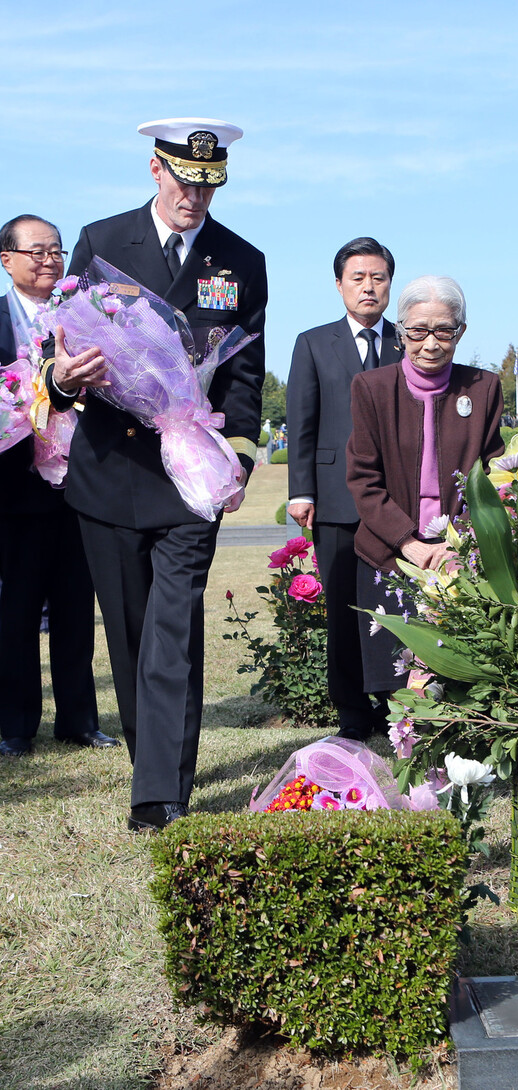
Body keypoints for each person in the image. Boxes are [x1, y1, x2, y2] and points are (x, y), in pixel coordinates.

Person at [47, 118, 267, 830]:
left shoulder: (241, 259)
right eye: (183, 181)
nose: (194, 198)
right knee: (132, 630)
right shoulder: (103, 240)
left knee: (174, 629)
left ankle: (160, 794)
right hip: (109, 470)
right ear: (154, 170)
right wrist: (63, 375)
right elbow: (65, 341)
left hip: (187, 477)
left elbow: (242, 374)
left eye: (209, 185)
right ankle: (153, 755)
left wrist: (236, 455)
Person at [346, 275, 504, 693]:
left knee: (461, 681)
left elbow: (495, 477)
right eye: (417, 331)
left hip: (459, 555)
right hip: (392, 555)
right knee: (401, 689)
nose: (430, 343)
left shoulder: (484, 388)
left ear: (460, 332)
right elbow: (364, 481)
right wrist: (409, 544)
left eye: (443, 331)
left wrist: (463, 542)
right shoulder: (371, 388)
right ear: (400, 333)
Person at [0, 215, 111, 757]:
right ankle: (15, 726)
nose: (48, 260)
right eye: (36, 251)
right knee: (15, 610)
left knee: (75, 607)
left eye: (56, 251)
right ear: (7, 260)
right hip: (15, 489)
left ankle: (80, 720)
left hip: (80, 483)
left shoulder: (87, 319)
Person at [287, 238, 402, 740]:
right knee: (342, 612)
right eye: (358, 278)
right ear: (339, 286)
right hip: (334, 500)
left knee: (397, 608)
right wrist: (301, 490)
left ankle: (400, 709)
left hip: (396, 502)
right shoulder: (313, 343)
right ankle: (353, 717)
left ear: (390, 284)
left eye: (378, 277)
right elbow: (301, 422)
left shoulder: (408, 342)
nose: (369, 287)